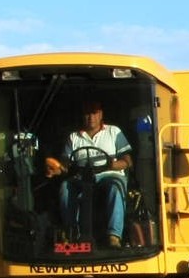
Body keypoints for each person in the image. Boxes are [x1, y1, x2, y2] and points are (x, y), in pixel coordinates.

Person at [45, 100, 132, 246]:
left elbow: (128, 161)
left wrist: (113, 165)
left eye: (94, 113)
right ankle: (72, 233)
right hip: (82, 177)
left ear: (101, 114)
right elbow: (66, 165)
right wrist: (56, 169)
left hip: (109, 175)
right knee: (65, 187)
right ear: (82, 116)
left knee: (116, 187)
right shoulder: (74, 137)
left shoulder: (114, 132)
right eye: (87, 113)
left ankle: (114, 236)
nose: (90, 117)